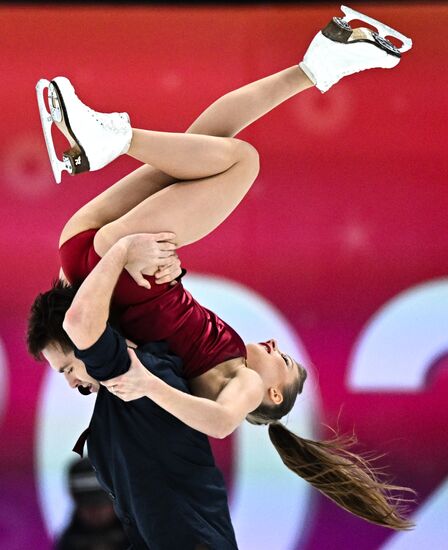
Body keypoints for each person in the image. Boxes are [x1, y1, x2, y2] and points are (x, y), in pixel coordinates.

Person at [30, 7, 415, 531]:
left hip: (125, 261)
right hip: (88, 251)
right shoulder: (231, 363)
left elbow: (220, 420)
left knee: (240, 161)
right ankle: (318, 66)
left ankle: (113, 139)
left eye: (289, 366)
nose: (281, 351)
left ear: (273, 393)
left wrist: (146, 384)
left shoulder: (246, 385)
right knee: (206, 146)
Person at [55, 457, 129, 550]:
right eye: (86, 504)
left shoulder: (137, 538)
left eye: (101, 503)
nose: (95, 511)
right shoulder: (68, 543)